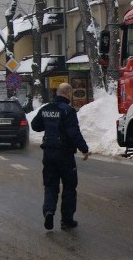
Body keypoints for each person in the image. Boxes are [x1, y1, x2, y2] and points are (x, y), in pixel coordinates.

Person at [31, 83, 90, 231]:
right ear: (69, 94)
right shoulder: (68, 111)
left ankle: (49, 211)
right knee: (69, 187)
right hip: (65, 155)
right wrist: (84, 149)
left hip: (49, 154)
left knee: (50, 186)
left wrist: (49, 125)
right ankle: (66, 220)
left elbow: (35, 126)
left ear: (57, 92)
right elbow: (73, 132)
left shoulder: (46, 109)